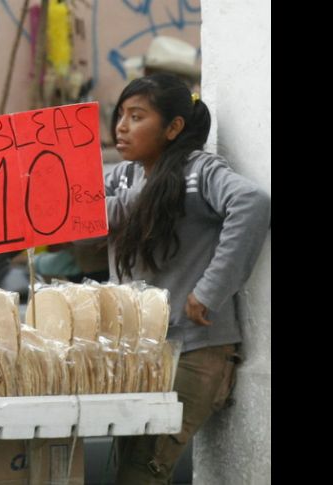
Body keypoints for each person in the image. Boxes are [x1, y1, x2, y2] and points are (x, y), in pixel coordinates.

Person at [104, 73, 270, 484]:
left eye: (137, 116)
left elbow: (251, 203)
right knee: (129, 468)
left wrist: (209, 290)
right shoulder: (126, 176)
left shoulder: (197, 171)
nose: (121, 127)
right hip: (139, 353)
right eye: (120, 115)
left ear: (173, 127)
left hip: (193, 353)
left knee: (141, 472)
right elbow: (85, 208)